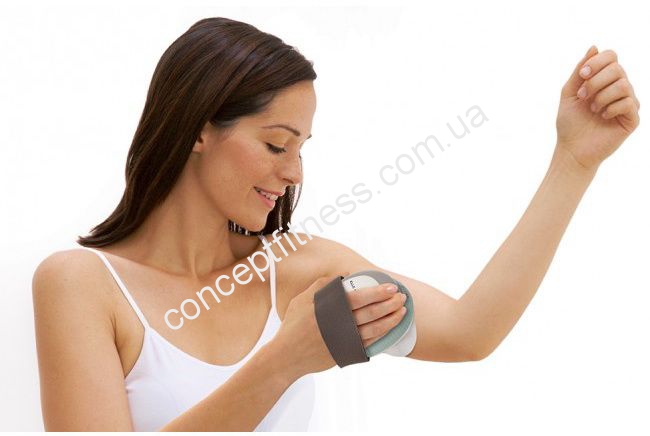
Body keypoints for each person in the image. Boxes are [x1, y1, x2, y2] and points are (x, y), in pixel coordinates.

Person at [31, 17, 640, 431]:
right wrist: (284, 360)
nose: (294, 172)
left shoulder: (302, 268)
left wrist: (574, 162)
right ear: (197, 129)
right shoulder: (81, 285)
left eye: (302, 148)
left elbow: (468, 332)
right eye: (276, 144)